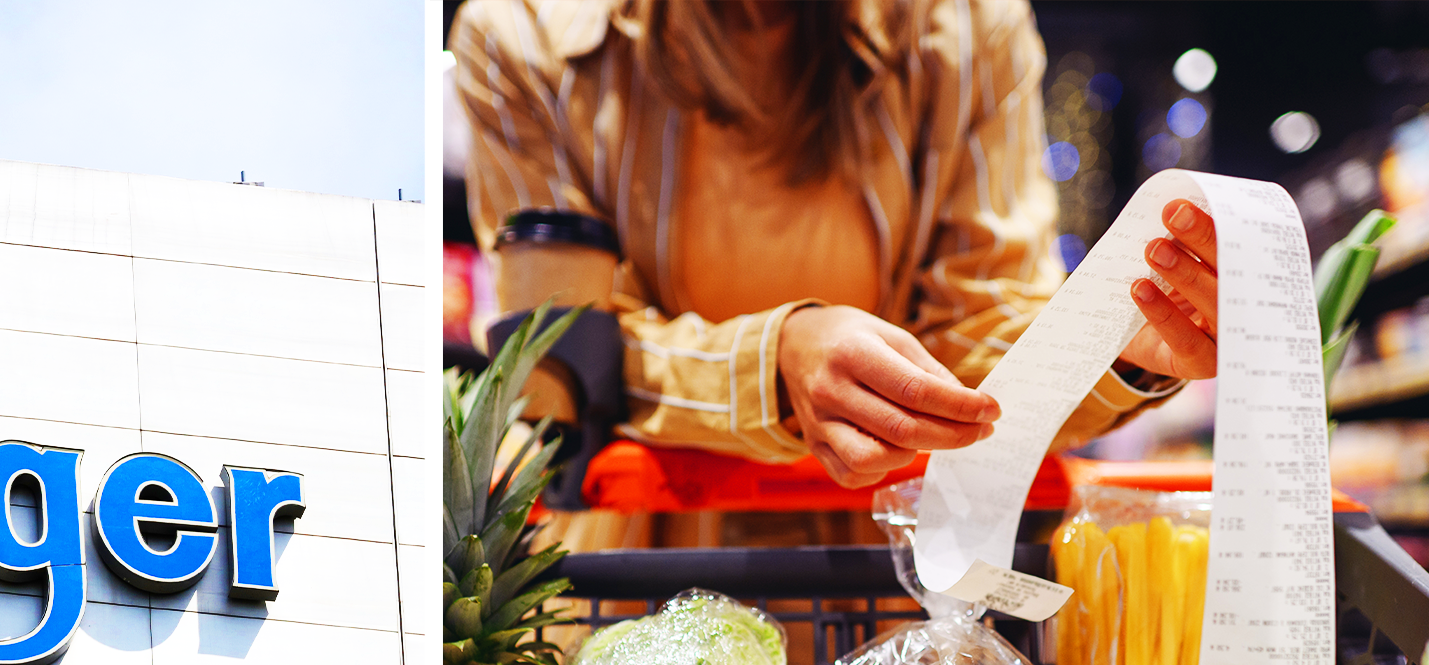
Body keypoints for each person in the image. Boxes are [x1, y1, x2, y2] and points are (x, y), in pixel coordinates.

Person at [452, 0, 1221, 491]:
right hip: (639, 584)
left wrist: (1118, 345)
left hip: (893, 587)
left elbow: (977, 333)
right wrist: (775, 365)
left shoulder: (967, 26)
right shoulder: (523, 36)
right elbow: (561, 366)